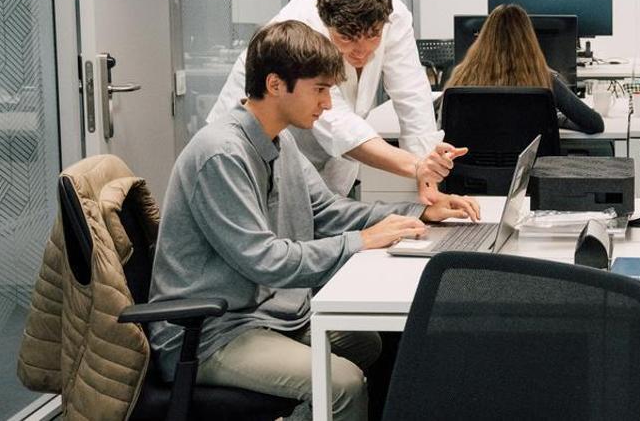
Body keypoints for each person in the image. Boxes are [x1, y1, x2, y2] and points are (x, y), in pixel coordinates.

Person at [149, 21, 478, 421]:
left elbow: (326, 211)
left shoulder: (277, 138)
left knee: (366, 342)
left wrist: (417, 212)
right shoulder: (222, 155)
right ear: (275, 85)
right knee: (342, 385)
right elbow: (265, 260)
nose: (326, 104)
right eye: (319, 89)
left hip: (266, 315)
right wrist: (361, 241)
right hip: (209, 334)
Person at [208, 0, 456, 204]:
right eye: (346, 39)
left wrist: (428, 185)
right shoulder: (302, 29)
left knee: (323, 216)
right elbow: (337, 123)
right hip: (253, 150)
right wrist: (416, 165)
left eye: (373, 37)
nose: (361, 52)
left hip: (310, 167)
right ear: (326, 23)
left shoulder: (392, 15)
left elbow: (413, 98)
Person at [444, 4, 604, 134]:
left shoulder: (461, 77)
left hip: (471, 171)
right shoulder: (544, 79)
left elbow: (442, 128)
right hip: (530, 171)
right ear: (529, 40)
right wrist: (557, 118)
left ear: (484, 37)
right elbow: (595, 124)